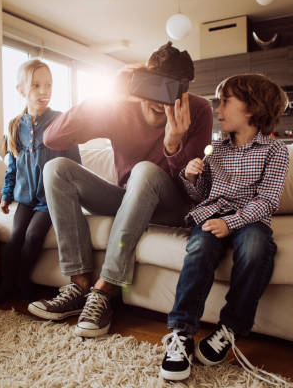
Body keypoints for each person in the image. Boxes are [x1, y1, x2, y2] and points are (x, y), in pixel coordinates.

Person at [27, 42, 214, 337]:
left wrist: (173, 144)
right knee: (56, 169)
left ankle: (106, 290)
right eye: (153, 86)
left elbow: (195, 191)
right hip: (128, 199)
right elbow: (52, 138)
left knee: (144, 170)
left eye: (170, 90)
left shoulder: (198, 110)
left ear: (184, 91)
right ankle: (80, 284)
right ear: (141, 80)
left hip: (171, 206)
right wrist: (105, 97)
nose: (158, 100)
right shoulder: (120, 107)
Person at [159, 74, 290, 383]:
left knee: (257, 247)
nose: (217, 108)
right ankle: (181, 333)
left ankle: (230, 328)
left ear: (251, 108)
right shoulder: (216, 149)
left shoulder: (275, 151)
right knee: (199, 248)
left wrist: (230, 222)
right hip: (212, 214)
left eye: (225, 101)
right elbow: (201, 196)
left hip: (249, 218)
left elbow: (268, 201)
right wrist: (191, 177)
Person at [0, 59, 81, 304]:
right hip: (25, 199)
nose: (44, 91)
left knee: (32, 236)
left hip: (50, 199)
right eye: (36, 86)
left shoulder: (61, 121)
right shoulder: (15, 126)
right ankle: (5, 285)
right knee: (16, 234)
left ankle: (22, 282)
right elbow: (13, 166)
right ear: (21, 90)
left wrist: (75, 196)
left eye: (49, 85)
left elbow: (76, 166)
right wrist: (6, 194)